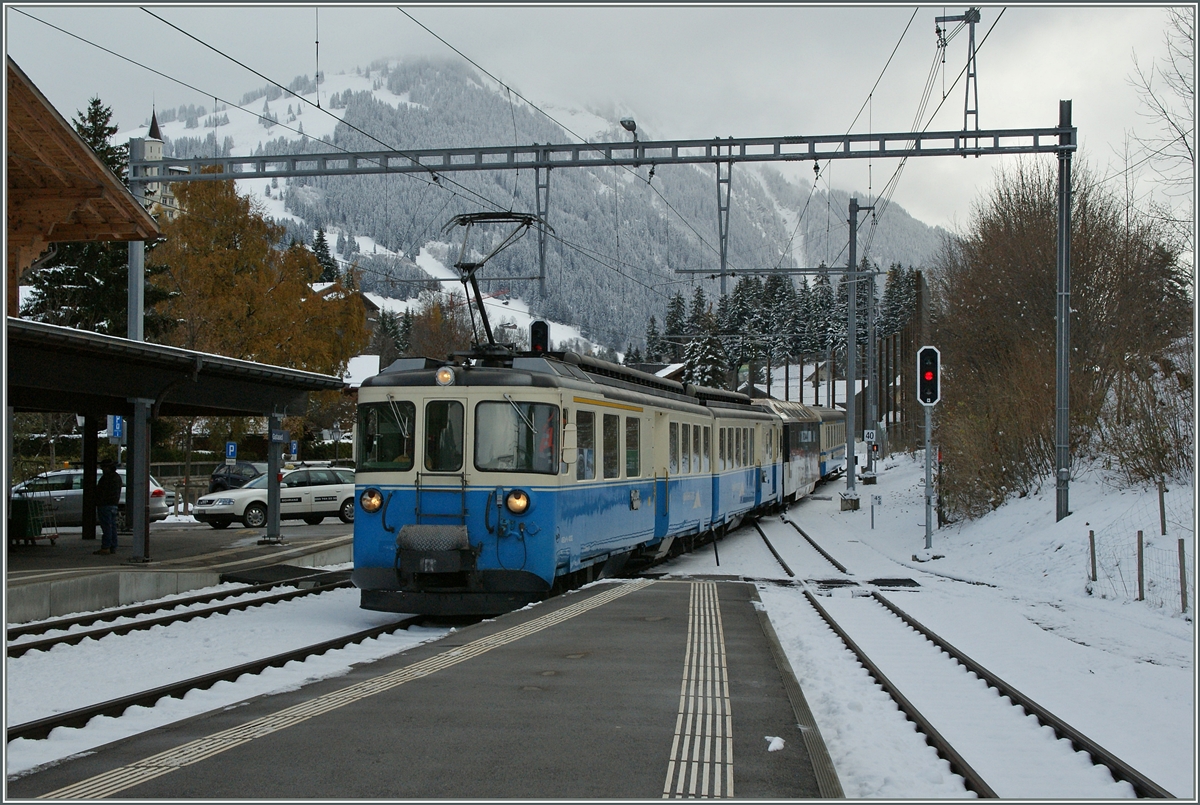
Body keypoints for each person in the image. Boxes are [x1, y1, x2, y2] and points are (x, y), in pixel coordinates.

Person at [95, 459, 121, 555]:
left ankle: (106, 547)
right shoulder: (117, 477)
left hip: (105, 504)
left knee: (106, 527)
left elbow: (101, 491)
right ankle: (113, 546)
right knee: (112, 526)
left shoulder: (106, 478)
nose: (102, 469)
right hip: (113, 504)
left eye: (103, 467)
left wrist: (97, 500)